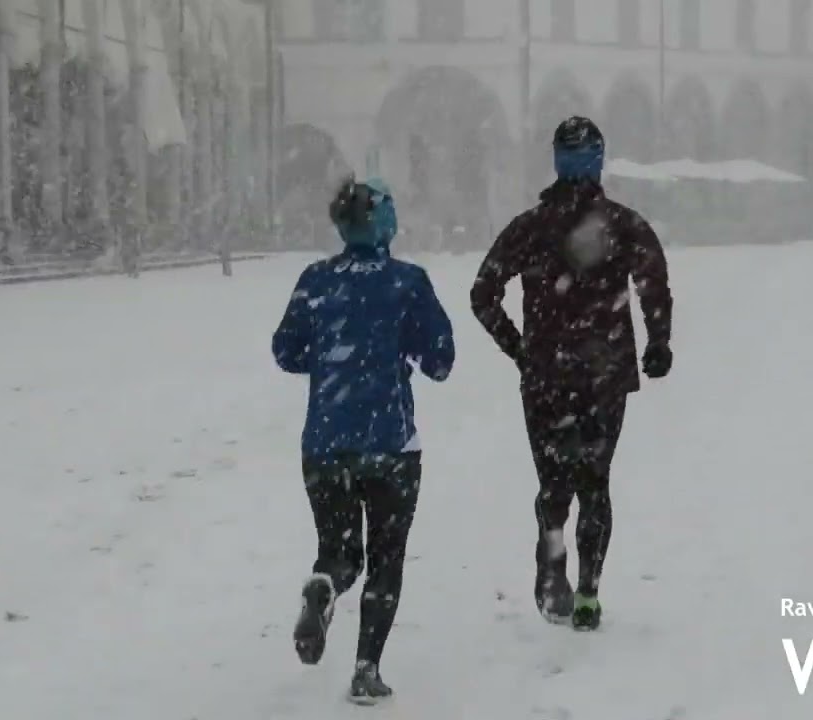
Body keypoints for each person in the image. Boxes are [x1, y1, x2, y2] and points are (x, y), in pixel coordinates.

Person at [470, 116, 673, 631]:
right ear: (600, 162)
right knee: (595, 483)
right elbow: (653, 283)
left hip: (547, 375)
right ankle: (588, 591)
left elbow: (483, 293)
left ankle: (553, 563)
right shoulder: (624, 225)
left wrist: (520, 349)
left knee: (553, 484)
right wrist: (657, 343)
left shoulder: (530, 228)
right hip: (605, 374)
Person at [271, 176, 455, 704]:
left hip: (325, 442)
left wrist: (332, 360)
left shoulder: (315, 280)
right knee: (386, 558)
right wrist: (399, 352)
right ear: (385, 223)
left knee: (339, 549)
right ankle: (366, 668)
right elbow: (440, 360)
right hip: (391, 443)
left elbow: (285, 350)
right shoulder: (408, 282)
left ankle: (326, 585)